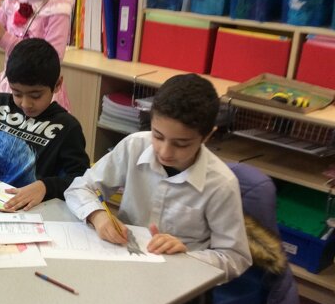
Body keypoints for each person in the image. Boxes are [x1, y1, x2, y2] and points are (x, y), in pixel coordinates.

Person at [65, 73, 252, 280]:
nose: (165, 152)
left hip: (180, 278)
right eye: (158, 136)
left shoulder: (221, 184)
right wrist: (97, 215)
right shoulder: (134, 146)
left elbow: (235, 257)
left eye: (181, 144)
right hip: (125, 261)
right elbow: (80, 187)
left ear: (207, 136)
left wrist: (187, 256)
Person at [0, 38, 90, 211]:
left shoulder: (67, 127)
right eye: (17, 93)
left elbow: (80, 179)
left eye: (36, 96)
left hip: (32, 211)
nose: (25, 104)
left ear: (57, 85)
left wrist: (45, 187)